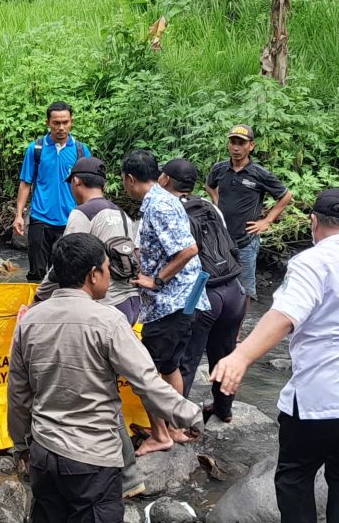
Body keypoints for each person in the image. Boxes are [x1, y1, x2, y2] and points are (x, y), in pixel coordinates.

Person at [211, 188, 339, 523]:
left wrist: (240, 356)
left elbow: (284, 315)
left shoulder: (310, 263)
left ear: (313, 221)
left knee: (294, 476)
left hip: (319, 400)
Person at [8, 233, 203, 522]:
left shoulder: (30, 322)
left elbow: (18, 394)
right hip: (92, 460)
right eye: (108, 268)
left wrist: (22, 446)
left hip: (45, 455)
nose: (111, 275)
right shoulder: (108, 322)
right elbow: (147, 382)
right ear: (93, 274)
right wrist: (190, 415)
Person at [34, 157, 145, 497]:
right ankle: (126, 473)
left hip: (103, 309)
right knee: (107, 388)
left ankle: (123, 476)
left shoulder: (82, 215)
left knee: (98, 392)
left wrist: (41, 299)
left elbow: (63, 260)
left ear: (76, 184)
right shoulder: (124, 214)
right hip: (132, 306)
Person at [122, 149, 210, 456]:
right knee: (170, 365)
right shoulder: (166, 200)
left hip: (169, 302)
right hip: (185, 300)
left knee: (145, 374)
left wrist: (155, 279)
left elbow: (188, 250)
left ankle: (161, 434)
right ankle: (174, 426)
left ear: (130, 179)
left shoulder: (158, 204)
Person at [159, 159, 246, 424]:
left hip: (202, 291)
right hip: (234, 289)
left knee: (185, 359)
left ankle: (180, 423)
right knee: (225, 353)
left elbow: (171, 258)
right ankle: (223, 409)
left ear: (164, 180)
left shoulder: (166, 210)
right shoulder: (210, 206)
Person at [205, 124, 292, 312]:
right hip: (221, 239)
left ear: (251, 146)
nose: (236, 148)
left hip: (246, 240)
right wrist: (216, 199)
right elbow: (209, 185)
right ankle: (220, 327)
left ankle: (236, 336)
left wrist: (267, 220)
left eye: (241, 143)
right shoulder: (219, 169)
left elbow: (285, 196)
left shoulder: (259, 173)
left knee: (245, 289)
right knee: (216, 283)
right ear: (228, 144)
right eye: (233, 142)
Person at [13, 101, 90, 282]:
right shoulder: (36, 149)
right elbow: (26, 183)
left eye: (65, 122)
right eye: (56, 123)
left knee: (66, 275)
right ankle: (36, 309)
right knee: (37, 274)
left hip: (70, 220)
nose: (61, 127)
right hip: (41, 218)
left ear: (72, 122)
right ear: (48, 123)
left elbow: (89, 186)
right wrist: (18, 215)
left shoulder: (81, 151)